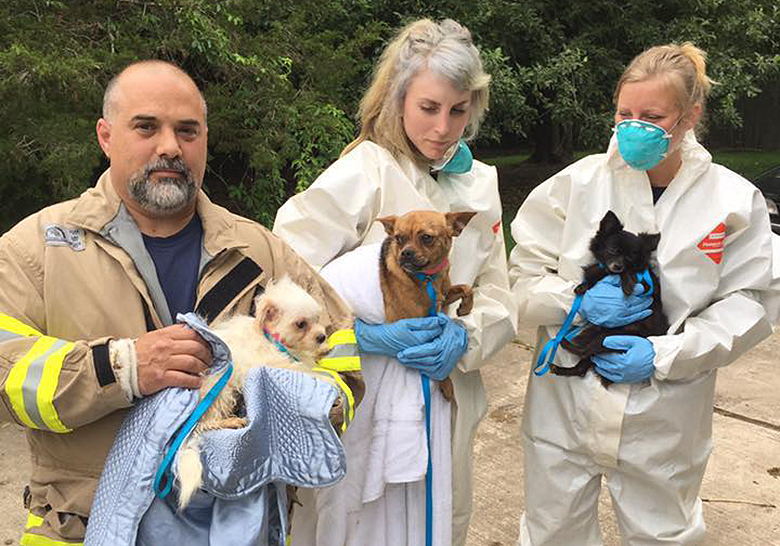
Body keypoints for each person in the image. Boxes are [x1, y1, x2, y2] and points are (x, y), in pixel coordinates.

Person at [0, 60, 361, 545]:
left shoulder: (262, 251)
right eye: (146, 127)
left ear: (205, 141)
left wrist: (292, 408)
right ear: (106, 136)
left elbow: (342, 356)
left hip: (239, 528)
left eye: (187, 131)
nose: (170, 146)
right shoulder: (37, 249)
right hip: (82, 529)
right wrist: (120, 368)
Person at [508, 42, 778, 545]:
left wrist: (664, 353)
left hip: (664, 415)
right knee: (552, 531)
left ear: (690, 115)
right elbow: (523, 270)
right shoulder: (579, 183)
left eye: (653, 116)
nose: (635, 127)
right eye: (625, 114)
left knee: (664, 535)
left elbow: (751, 302)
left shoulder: (732, 200)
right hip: (563, 406)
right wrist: (575, 302)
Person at [273, 18, 517, 546]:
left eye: (459, 110)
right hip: (366, 393)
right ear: (398, 98)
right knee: (351, 522)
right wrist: (361, 336)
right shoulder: (364, 171)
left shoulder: (480, 184)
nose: (444, 127)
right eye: (429, 108)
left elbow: (497, 289)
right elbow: (287, 271)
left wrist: (466, 338)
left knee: (439, 521)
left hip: (446, 394)